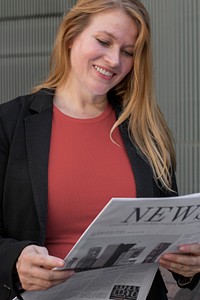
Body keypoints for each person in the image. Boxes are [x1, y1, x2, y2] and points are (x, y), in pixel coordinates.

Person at [0, 0, 200, 299]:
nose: (114, 60)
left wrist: (188, 265)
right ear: (70, 36)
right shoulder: (9, 123)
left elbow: (170, 239)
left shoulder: (146, 131)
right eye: (104, 41)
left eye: (128, 52)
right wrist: (14, 262)